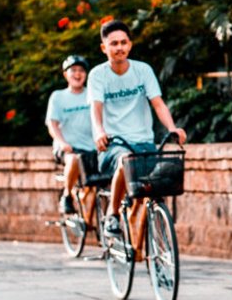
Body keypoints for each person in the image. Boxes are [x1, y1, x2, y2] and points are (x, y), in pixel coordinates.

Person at [88, 20, 187, 239]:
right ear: (104, 48)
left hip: (144, 142)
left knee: (151, 189)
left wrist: (172, 128)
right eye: (114, 43)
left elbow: (158, 104)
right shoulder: (97, 75)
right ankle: (112, 215)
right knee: (126, 160)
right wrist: (99, 133)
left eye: (123, 42)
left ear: (130, 45)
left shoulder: (143, 70)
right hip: (114, 144)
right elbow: (96, 109)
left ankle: (141, 232)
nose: (119, 47)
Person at [46, 55, 95, 214]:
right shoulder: (58, 97)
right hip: (68, 148)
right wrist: (61, 142)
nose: (77, 74)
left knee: (97, 182)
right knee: (73, 159)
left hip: (91, 147)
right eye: (73, 70)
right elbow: (52, 124)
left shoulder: (92, 94)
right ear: (66, 74)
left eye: (81, 70)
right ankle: (66, 195)